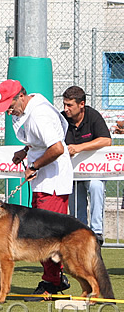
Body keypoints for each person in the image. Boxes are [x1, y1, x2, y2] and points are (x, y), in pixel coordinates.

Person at [0, 79, 74, 300]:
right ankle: (54, 279)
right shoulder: (29, 108)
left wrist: (34, 165)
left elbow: (57, 147)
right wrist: (25, 150)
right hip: (44, 182)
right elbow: (41, 140)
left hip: (53, 183)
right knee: (41, 234)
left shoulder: (39, 114)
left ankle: (53, 282)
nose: (9, 111)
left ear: (21, 95)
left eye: (10, 105)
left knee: (48, 237)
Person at [61, 86, 111, 245]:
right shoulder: (61, 118)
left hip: (93, 172)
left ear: (81, 104)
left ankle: (97, 232)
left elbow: (106, 140)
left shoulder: (93, 116)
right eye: (64, 104)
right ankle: (80, 234)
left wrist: (79, 148)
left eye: (69, 105)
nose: (65, 109)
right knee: (77, 206)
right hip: (71, 173)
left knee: (96, 187)